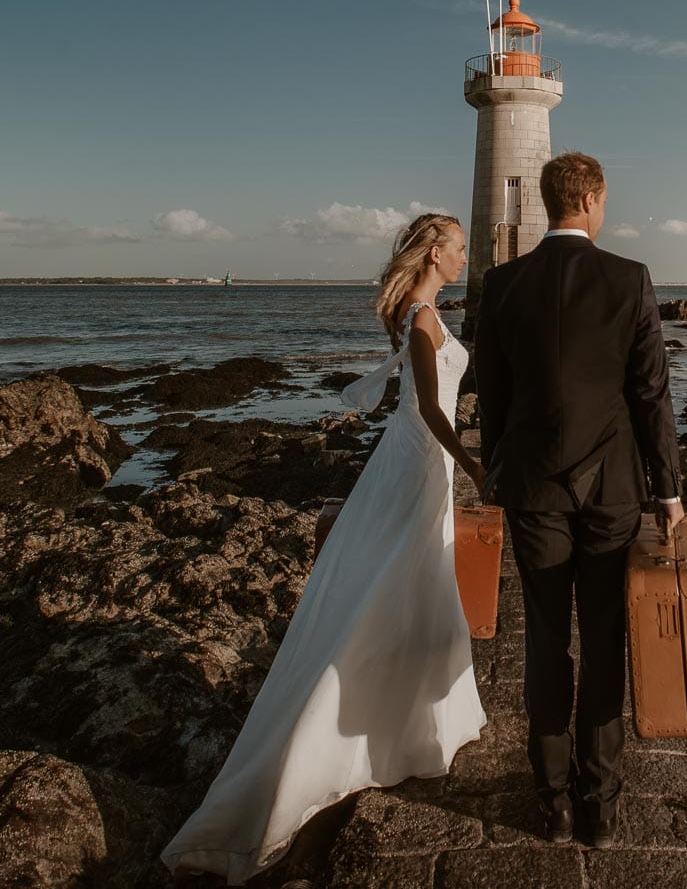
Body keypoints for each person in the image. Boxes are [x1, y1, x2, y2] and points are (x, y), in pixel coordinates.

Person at [161, 213, 489, 881]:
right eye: (458, 247)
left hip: (412, 460)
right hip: (421, 461)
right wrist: (474, 465)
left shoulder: (413, 309)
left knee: (406, 584)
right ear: (433, 251)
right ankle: (364, 727)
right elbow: (429, 407)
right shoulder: (422, 317)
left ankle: (408, 719)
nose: (465, 255)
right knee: (399, 586)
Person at [475, 151, 686, 848]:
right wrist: (670, 488)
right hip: (613, 489)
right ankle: (600, 807)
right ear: (593, 200)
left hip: (533, 485)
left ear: (545, 201)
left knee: (543, 638)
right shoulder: (629, 279)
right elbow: (651, 392)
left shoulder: (503, 282)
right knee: (603, 638)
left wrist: (491, 469)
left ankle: (553, 805)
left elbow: (493, 393)